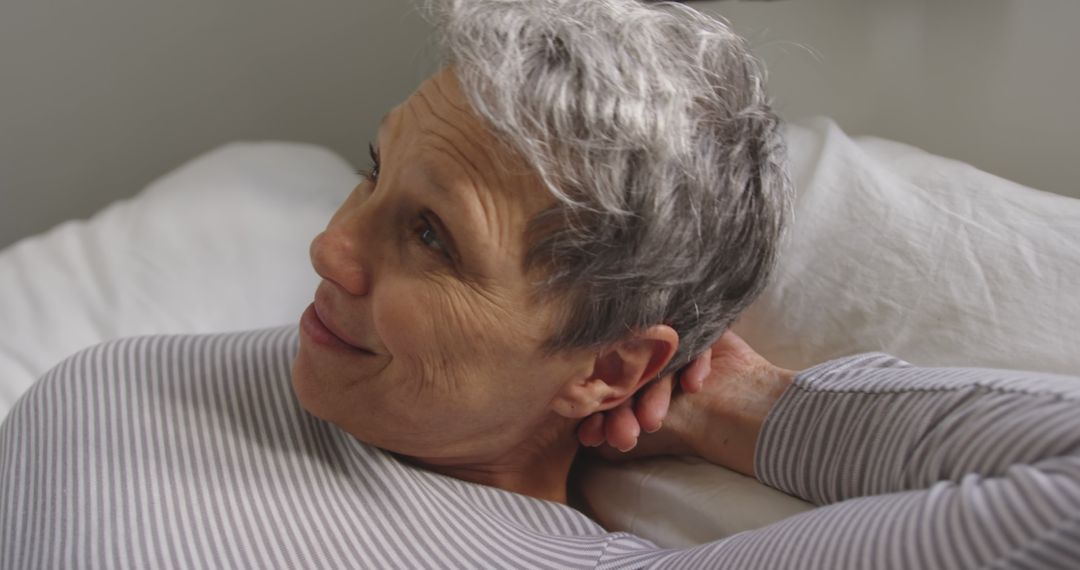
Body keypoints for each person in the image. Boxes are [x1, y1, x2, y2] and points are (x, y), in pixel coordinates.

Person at [1, 0, 1077, 568]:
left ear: (612, 364)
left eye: (431, 235)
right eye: (378, 170)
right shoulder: (139, 382)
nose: (332, 248)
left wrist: (744, 412)